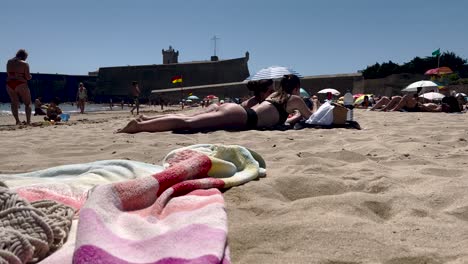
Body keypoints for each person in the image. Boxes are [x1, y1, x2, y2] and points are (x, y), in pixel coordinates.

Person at [117, 74, 313, 133]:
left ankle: (144, 121)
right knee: (187, 123)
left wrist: (293, 117)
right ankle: (139, 126)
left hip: (238, 112)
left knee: (187, 119)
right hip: (239, 117)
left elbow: (280, 118)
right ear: (296, 88)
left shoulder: (274, 97)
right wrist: (314, 102)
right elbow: (311, 118)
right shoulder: (294, 99)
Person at [6, 49, 33, 125]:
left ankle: (17, 121)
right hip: (20, 83)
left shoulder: (9, 62)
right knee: (28, 103)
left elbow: (8, 74)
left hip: (10, 84)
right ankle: (28, 122)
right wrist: (30, 76)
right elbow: (27, 77)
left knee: (14, 103)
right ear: (24, 56)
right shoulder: (24, 63)